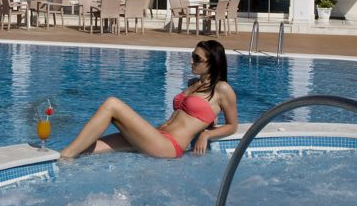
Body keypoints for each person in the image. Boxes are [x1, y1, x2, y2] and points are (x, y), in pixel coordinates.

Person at [59, 40, 239, 159]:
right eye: (192, 56)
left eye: (196, 58)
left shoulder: (222, 89)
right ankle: (64, 157)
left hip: (169, 146)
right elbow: (200, 115)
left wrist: (206, 134)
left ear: (212, 62)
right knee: (86, 148)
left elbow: (232, 125)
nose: (191, 61)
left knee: (112, 104)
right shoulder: (192, 83)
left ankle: (65, 158)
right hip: (156, 135)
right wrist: (208, 123)